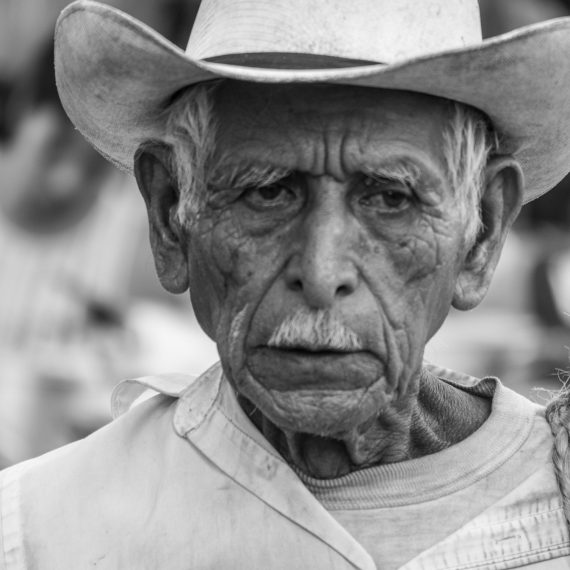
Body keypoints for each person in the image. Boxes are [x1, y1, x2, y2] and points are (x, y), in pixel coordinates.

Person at [2, 0, 570, 568]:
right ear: (171, 216)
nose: (322, 275)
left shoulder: (556, 490)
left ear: (483, 232)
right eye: (267, 192)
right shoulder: (40, 532)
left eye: (391, 199)